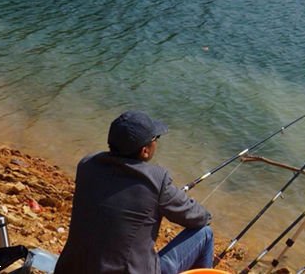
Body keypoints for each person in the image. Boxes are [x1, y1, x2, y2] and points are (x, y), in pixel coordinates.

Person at [55, 110, 213, 274]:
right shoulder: (157, 180)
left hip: (71, 269)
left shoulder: (87, 165)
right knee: (205, 233)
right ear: (145, 150)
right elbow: (198, 218)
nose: (156, 142)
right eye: (155, 139)